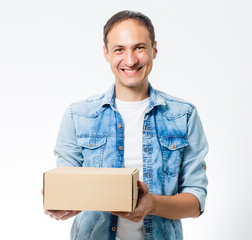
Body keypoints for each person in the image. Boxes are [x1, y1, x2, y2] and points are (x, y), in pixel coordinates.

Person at [44, 10, 208, 240]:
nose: (130, 60)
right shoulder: (77, 116)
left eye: (139, 47)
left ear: (154, 50)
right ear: (106, 53)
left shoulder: (184, 115)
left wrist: (152, 204)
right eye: (119, 49)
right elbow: (67, 190)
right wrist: (59, 204)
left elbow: (196, 201)